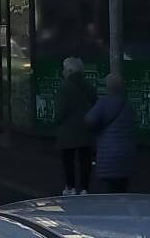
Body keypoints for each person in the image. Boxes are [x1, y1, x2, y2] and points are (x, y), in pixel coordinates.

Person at [85, 73, 136, 193]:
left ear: (108, 87)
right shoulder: (128, 105)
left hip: (108, 153)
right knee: (122, 187)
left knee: (109, 191)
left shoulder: (104, 103)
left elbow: (89, 120)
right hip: (127, 153)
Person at [54, 57, 97, 196]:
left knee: (68, 160)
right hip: (86, 129)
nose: (63, 72)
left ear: (70, 70)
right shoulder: (89, 86)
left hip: (68, 130)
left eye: (65, 69)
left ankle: (70, 186)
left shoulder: (64, 87)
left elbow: (61, 110)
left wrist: (57, 121)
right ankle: (84, 187)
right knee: (85, 160)